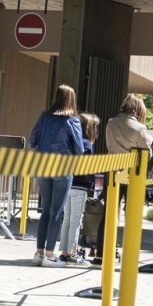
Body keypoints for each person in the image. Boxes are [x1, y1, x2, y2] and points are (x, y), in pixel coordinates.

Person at [92, 93, 153, 266]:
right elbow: (146, 154)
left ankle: (101, 253)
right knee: (131, 213)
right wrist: (149, 140)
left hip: (112, 170)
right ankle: (129, 254)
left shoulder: (111, 123)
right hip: (132, 173)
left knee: (110, 212)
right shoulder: (140, 128)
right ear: (138, 110)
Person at [29, 84, 84, 267]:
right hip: (63, 168)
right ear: (71, 100)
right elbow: (79, 149)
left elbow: (32, 141)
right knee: (56, 212)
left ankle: (38, 252)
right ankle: (50, 255)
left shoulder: (44, 117)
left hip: (43, 167)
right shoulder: (72, 121)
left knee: (45, 210)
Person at [58, 112, 100, 266]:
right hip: (80, 186)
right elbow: (87, 168)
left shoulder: (71, 142)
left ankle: (63, 252)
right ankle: (72, 253)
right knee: (76, 220)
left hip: (68, 183)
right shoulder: (87, 144)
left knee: (67, 220)